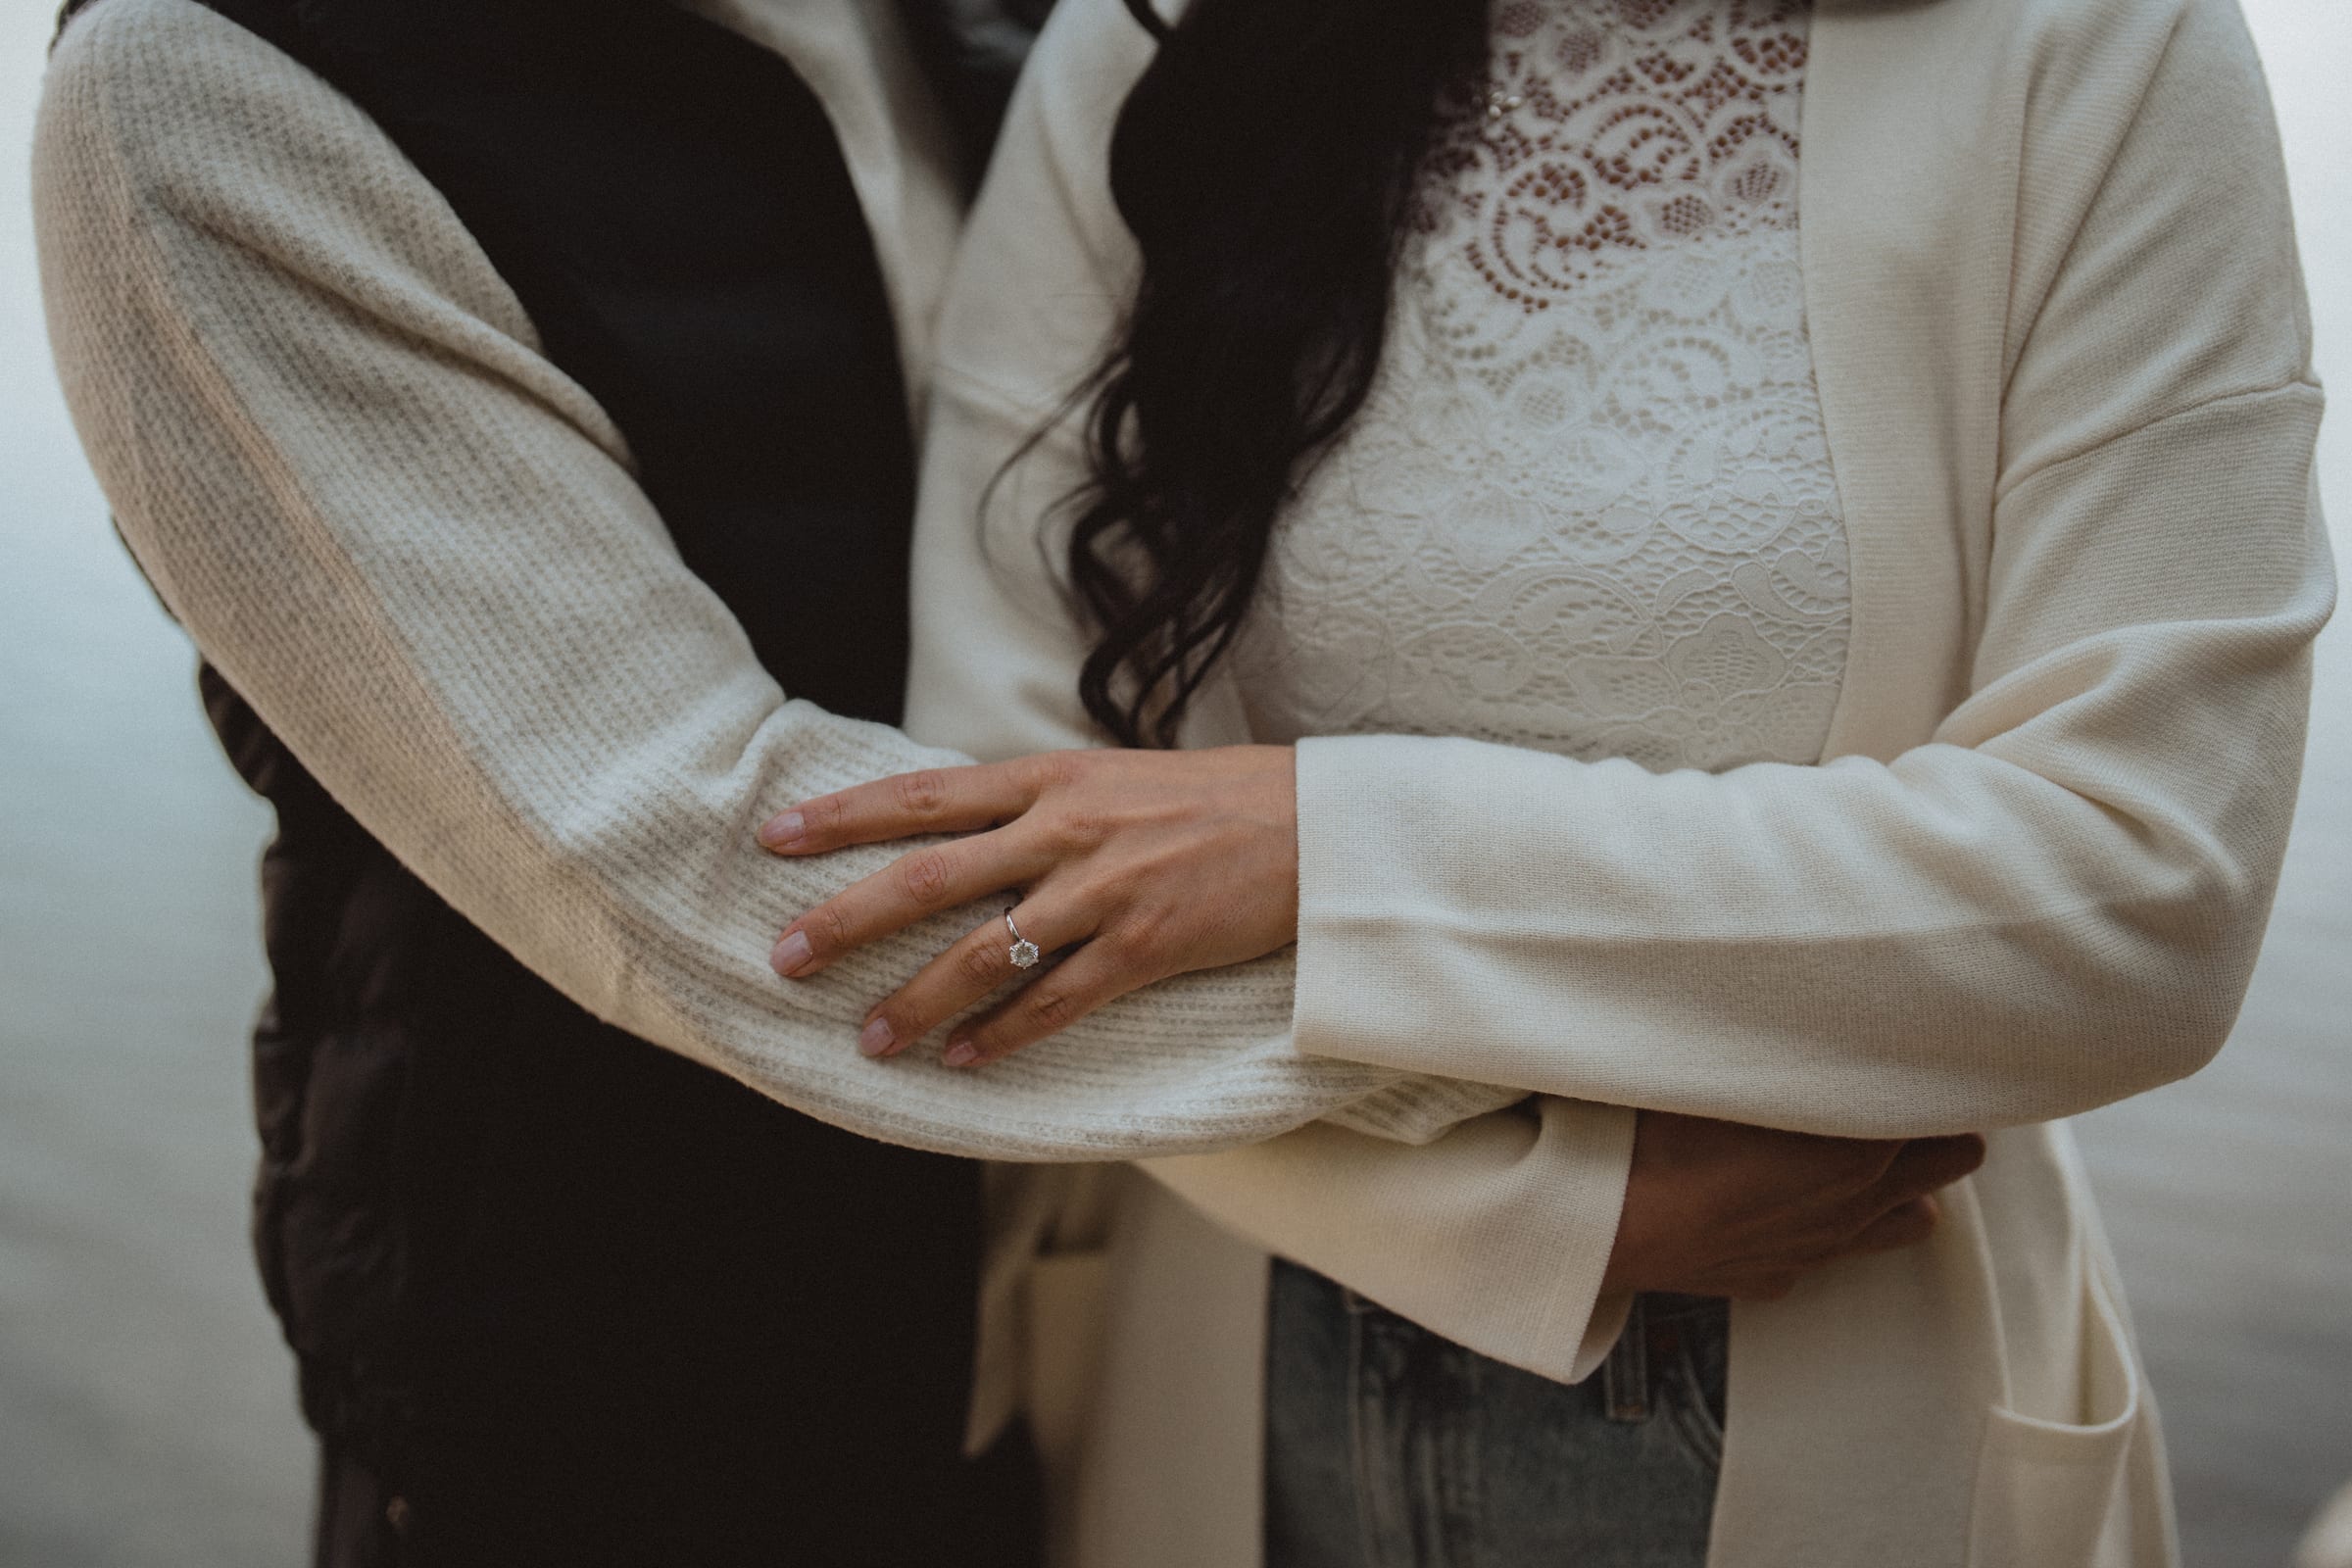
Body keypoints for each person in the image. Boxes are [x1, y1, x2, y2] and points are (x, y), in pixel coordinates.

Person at [34, 0, 1979, 1562]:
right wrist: (1557, 1102)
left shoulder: (1019, 26)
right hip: (598, 1381)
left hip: (1071, 1344)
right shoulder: (217, 89)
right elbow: (710, 862)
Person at [756, 0, 2335, 1562]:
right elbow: (992, 832)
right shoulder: (1158, 38)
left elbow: (2145, 892)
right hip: (1229, 1356)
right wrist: (1507, 1222)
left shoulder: (2098, 50)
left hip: (1840, 1351)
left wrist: (1319, 846)